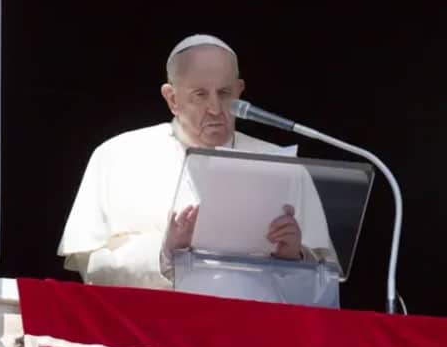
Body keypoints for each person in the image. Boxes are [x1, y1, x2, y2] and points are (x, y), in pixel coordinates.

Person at [57, 34, 335, 292]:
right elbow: (92, 270)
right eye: (200, 95)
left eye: (225, 93)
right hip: (157, 331)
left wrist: (294, 258)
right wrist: (164, 251)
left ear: (239, 91)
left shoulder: (280, 165)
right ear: (172, 99)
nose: (215, 108)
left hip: (256, 334)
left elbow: (326, 286)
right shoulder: (117, 156)